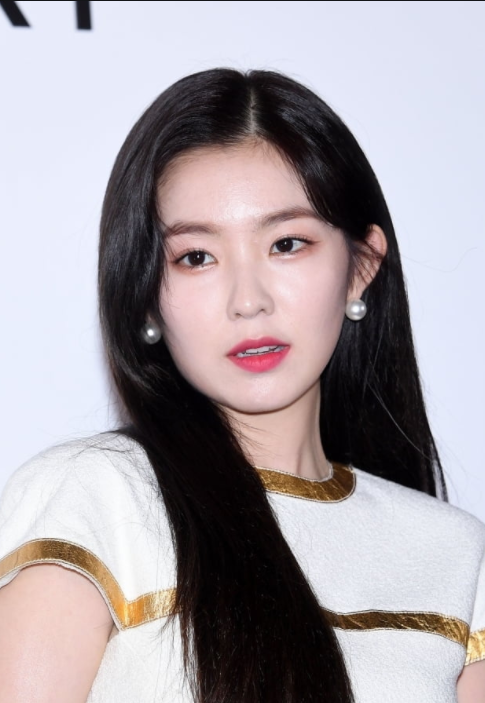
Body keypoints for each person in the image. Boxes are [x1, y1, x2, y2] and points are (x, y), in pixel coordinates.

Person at [0, 67, 483, 703]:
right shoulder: (99, 498)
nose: (248, 300)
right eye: (196, 257)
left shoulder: (454, 554)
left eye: (287, 243)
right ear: (144, 295)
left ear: (361, 266)